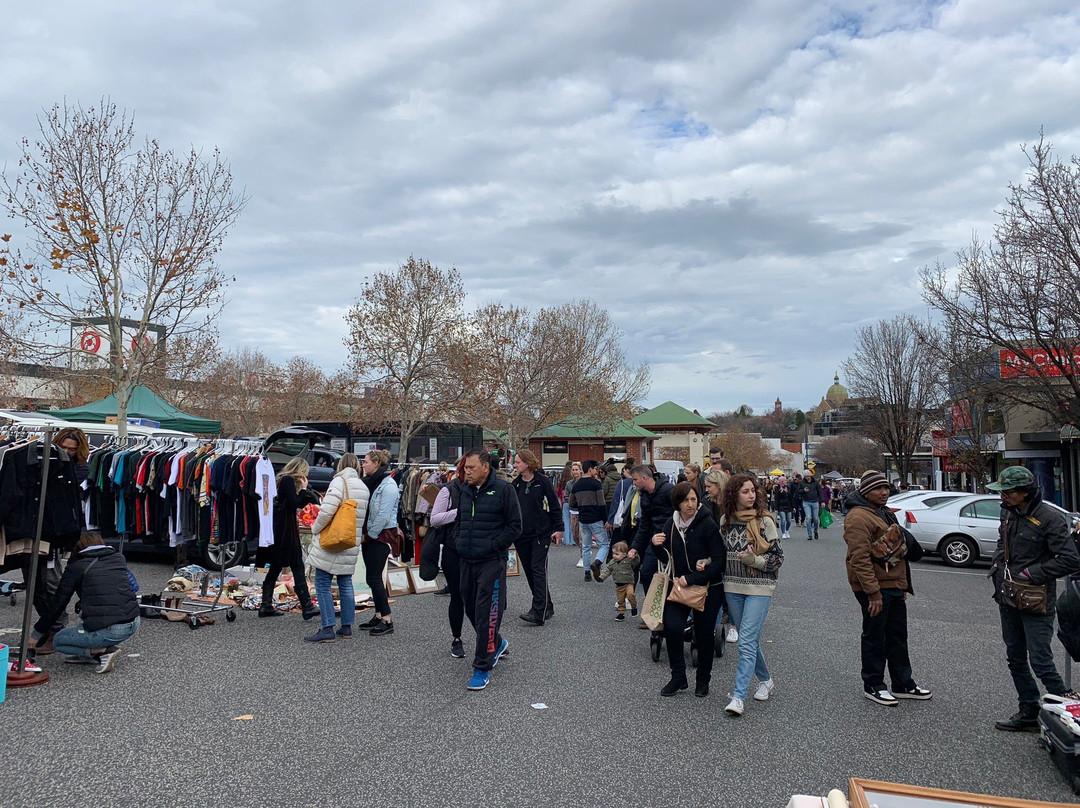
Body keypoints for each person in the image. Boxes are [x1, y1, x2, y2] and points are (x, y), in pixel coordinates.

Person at [987, 466, 1080, 731]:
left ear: (1025, 492)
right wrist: (997, 563)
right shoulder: (1008, 512)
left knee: (1040, 660)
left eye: (1008, 492)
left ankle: (1068, 714)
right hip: (1007, 596)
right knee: (1014, 658)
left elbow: (1071, 559)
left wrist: (1033, 573)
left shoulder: (1049, 518)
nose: (1003, 496)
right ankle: (1028, 710)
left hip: (1036, 599)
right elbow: (1001, 541)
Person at [844, 470, 932, 706]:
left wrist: (902, 585)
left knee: (897, 636)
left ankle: (903, 683)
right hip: (873, 587)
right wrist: (872, 593)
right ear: (865, 492)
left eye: (886, 488)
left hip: (892, 584)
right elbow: (859, 558)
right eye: (877, 489)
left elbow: (898, 552)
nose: (884, 493)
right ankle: (873, 684)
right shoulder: (858, 517)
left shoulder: (882, 513)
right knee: (875, 637)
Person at [716, 474, 784, 715]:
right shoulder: (725, 520)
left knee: (745, 641)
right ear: (734, 494)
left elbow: (778, 558)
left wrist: (754, 560)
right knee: (750, 640)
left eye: (753, 490)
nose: (751, 495)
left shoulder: (765, 521)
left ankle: (738, 697)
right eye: (745, 491)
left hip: (760, 587)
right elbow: (720, 553)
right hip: (733, 586)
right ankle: (765, 680)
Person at [28, 531, 139, 673]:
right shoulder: (118, 558)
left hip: (112, 629)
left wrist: (36, 635)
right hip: (134, 621)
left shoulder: (77, 566)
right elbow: (132, 587)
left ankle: (101, 651)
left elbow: (58, 604)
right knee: (83, 612)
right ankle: (90, 652)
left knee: (59, 641)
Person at [456, 450, 522, 691]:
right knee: (471, 608)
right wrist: (459, 542)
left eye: (471, 468)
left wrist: (493, 545)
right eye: (465, 468)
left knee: (487, 613)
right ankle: (497, 642)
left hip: (492, 562)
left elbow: (515, 527)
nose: (467, 472)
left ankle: (482, 666)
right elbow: (461, 521)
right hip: (466, 559)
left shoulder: (504, 490)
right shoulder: (463, 490)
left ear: (485, 467)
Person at [652, 482, 725, 698]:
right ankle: (678, 677)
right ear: (677, 503)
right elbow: (666, 559)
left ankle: (703, 680)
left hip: (708, 588)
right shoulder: (671, 524)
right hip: (679, 588)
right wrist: (655, 545)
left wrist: (693, 577)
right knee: (672, 628)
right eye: (686, 500)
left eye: (694, 499)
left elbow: (719, 561)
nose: (690, 504)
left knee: (703, 635)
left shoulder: (707, 524)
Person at [304, 454, 370, 643]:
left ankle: (327, 627)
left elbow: (326, 512)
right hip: (349, 540)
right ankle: (347, 627)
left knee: (323, 582)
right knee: (345, 582)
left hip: (332, 539)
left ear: (340, 465)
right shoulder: (363, 487)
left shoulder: (339, 482)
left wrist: (314, 528)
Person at [262, 457, 321, 620]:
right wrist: (302, 489)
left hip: (281, 525)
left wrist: (306, 493)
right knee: (296, 564)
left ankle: (265, 604)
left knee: (276, 565)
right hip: (286, 528)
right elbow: (295, 503)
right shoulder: (287, 481)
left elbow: (296, 501)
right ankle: (306, 605)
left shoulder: (282, 480)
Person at [511, 448, 562, 625]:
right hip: (521, 535)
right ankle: (547, 605)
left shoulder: (543, 482)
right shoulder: (515, 484)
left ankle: (538, 611)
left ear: (527, 463)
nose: (515, 465)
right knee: (530, 572)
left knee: (538, 569)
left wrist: (559, 528)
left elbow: (555, 506)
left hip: (541, 534)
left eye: (517, 462)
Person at [628, 465, 675, 630]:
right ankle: (654, 612)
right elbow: (644, 525)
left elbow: (681, 513)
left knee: (673, 578)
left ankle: (672, 612)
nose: (633, 483)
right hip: (654, 541)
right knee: (646, 573)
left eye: (634, 480)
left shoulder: (669, 490)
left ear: (644, 478)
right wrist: (634, 548)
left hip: (672, 540)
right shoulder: (644, 496)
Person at [358, 449, 400, 636]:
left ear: (376, 463)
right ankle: (378, 614)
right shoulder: (371, 483)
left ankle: (387, 619)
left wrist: (370, 535)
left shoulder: (388, 485)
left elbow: (383, 515)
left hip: (380, 536)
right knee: (371, 578)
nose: (363, 464)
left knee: (375, 578)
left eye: (366, 461)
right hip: (370, 534)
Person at [430, 457, 468, 658]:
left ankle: (490, 639)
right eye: (467, 468)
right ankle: (457, 638)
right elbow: (434, 519)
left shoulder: (483, 489)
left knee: (478, 598)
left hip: (477, 550)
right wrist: (458, 513)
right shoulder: (448, 489)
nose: (470, 472)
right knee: (457, 597)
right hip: (453, 549)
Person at [574, 460, 610, 582]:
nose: (597, 471)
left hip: (583, 519)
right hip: (596, 518)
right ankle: (598, 562)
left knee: (586, 546)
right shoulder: (596, 484)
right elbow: (601, 503)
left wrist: (581, 505)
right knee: (604, 544)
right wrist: (606, 519)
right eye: (595, 468)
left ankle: (587, 573)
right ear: (590, 469)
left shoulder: (576, 485)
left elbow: (572, 503)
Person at [595, 541, 640, 620]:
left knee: (630, 594)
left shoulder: (628, 560)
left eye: (617, 554)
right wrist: (601, 577)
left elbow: (637, 561)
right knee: (620, 600)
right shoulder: (612, 562)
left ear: (625, 554)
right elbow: (608, 570)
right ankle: (621, 613)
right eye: (613, 554)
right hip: (619, 584)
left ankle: (634, 606)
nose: (614, 556)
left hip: (628, 582)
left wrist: (635, 555)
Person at [796, 471, 822, 540]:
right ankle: (809, 534)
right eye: (805, 477)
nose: (807, 478)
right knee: (808, 517)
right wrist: (803, 490)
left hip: (815, 501)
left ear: (810, 476)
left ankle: (815, 531)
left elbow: (820, 491)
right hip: (806, 502)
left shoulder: (815, 482)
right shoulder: (802, 483)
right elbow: (798, 491)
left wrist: (822, 501)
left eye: (808, 476)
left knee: (816, 518)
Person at [567, 461, 584, 561]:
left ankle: (582, 556)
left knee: (582, 536)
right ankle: (584, 550)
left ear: (580, 470)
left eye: (576, 470)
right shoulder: (569, 484)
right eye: (573, 470)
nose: (575, 472)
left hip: (583, 511)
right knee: (575, 535)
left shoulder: (584, 482)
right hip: (573, 511)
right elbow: (566, 495)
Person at [557, 462, 577, 547]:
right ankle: (573, 540)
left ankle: (566, 540)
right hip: (574, 504)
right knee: (574, 522)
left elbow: (558, 493)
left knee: (565, 521)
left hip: (565, 503)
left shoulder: (562, 483)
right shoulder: (573, 482)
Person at [772, 476, 793, 540]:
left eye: (786, 480)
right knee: (783, 520)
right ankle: (783, 533)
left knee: (789, 521)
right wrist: (776, 508)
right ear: (781, 481)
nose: (786, 481)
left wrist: (793, 506)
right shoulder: (777, 489)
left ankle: (787, 530)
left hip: (788, 506)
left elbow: (791, 498)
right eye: (785, 480)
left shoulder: (788, 488)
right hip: (781, 506)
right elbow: (776, 499)